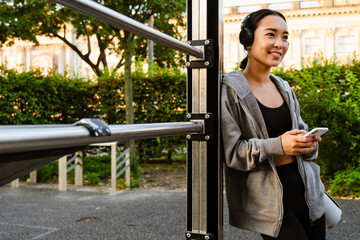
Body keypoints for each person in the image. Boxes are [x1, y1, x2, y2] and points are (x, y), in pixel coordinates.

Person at [221, 9, 326, 240]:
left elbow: (303, 144)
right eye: (271, 34)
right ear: (247, 40)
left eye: (285, 36)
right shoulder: (230, 89)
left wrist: (308, 143)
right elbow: (232, 154)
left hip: (310, 196)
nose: (280, 43)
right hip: (271, 205)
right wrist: (278, 145)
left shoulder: (284, 87)